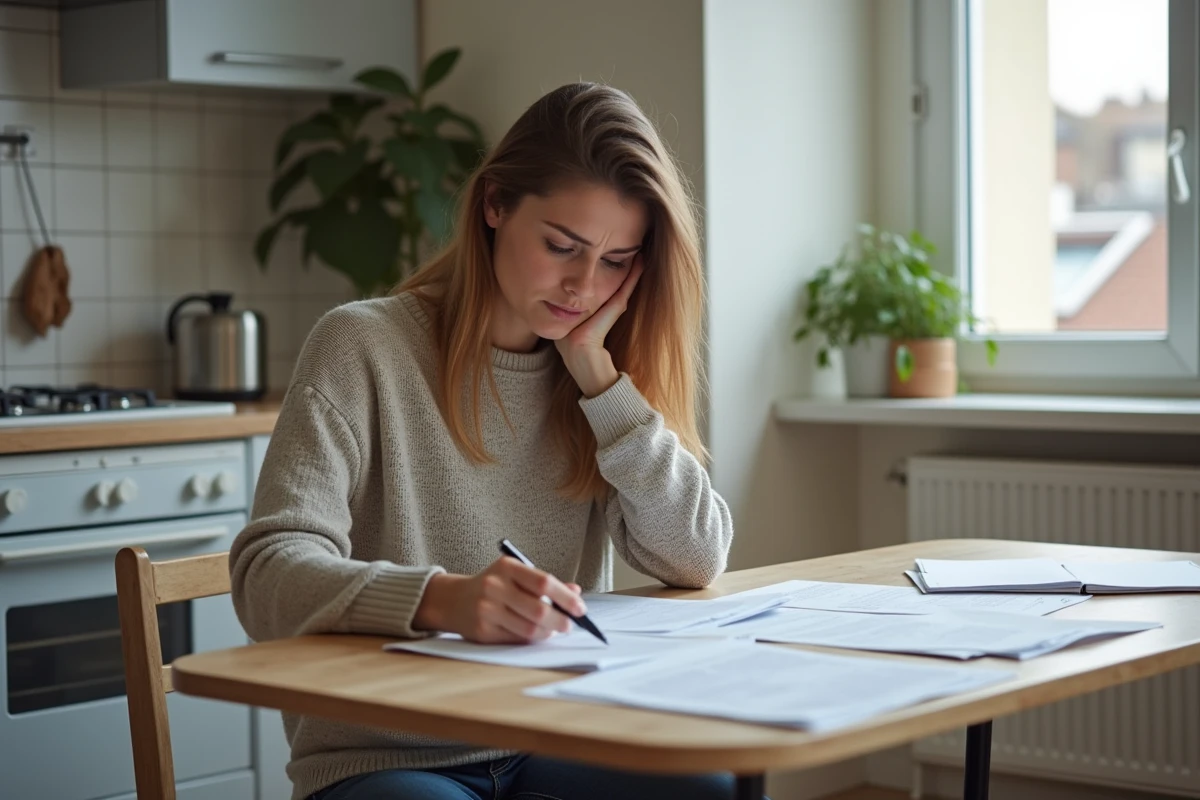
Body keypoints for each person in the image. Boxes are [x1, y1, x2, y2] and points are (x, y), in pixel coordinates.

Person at [230, 81, 736, 800]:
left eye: (617, 260)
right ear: (494, 205)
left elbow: (696, 557)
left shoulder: (595, 380)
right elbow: (266, 575)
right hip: (385, 757)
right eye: (562, 245)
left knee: (719, 791)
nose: (583, 286)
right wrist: (443, 601)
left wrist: (597, 376)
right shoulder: (362, 346)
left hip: (553, 729)